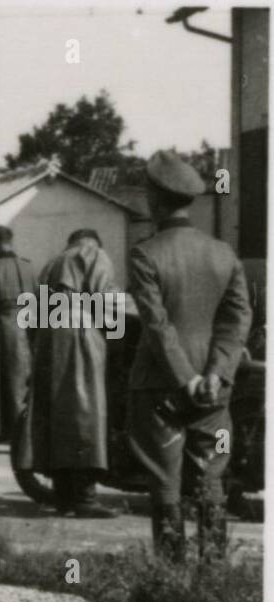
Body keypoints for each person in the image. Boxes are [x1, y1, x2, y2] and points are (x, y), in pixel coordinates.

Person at [127, 150, 252, 560]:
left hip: (159, 388)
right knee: (211, 477)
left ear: (154, 198)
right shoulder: (223, 253)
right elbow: (237, 320)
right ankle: (213, 570)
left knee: (165, 481)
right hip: (214, 392)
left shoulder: (146, 253)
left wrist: (185, 377)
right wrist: (215, 372)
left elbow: (157, 324)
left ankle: (170, 575)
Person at [21, 229, 117, 518]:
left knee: (57, 417)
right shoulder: (95, 254)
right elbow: (105, 301)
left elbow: (32, 315)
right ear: (94, 241)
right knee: (87, 415)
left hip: (49, 340)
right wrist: (117, 332)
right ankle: (86, 497)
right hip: (81, 336)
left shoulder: (51, 263)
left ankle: (63, 496)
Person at [0, 225, 38, 435]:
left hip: (6, 325)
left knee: (7, 379)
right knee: (28, 377)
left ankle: (11, 428)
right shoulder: (29, 267)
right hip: (31, 322)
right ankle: (29, 426)